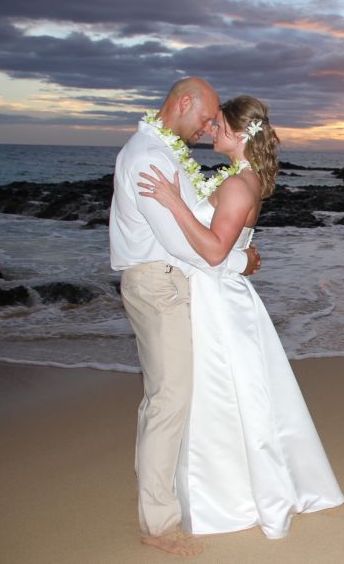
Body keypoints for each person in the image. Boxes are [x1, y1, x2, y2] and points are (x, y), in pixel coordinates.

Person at [138, 95, 344, 539]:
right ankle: (232, 492)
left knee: (223, 397)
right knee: (230, 398)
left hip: (218, 299)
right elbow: (227, 249)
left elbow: (214, 252)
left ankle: (231, 500)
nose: (210, 129)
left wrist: (174, 201)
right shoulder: (239, 178)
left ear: (238, 133)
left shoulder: (237, 184)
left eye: (218, 125)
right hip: (218, 293)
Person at [108, 78, 260, 555]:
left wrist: (235, 247)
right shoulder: (148, 157)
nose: (209, 126)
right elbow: (180, 242)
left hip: (178, 281)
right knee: (168, 399)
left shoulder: (165, 151)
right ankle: (157, 525)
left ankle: (186, 493)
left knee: (174, 397)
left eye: (217, 122)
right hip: (159, 282)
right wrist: (239, 262)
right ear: (185, 102)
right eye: (208, 117)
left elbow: (196, 217)